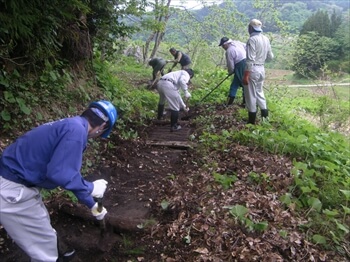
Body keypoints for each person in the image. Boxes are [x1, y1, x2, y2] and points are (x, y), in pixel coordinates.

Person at [0, 100, 118, 262]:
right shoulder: (76, 133)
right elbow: (61, 174)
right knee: (44, 252)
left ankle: (63, 252)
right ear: (102, 127)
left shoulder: (71, 126)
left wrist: (92, 205)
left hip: (17, 184)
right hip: (12, 191)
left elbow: (69, 174)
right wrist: (91, 187)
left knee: (43, 225)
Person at [243, 19, 274, 124]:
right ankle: (265, 119)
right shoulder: (266, 39)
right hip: (262, 68)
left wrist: (246, 75)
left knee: (251, 95)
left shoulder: (252, 40)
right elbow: (271, 56)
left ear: (251, 28)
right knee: (260, 92)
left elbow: (250, 59)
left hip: (253, 69)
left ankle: (251, 122)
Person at [219, 37, 246, 106]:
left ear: (226, 44)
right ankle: (243, 103)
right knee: (236, 84)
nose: (223, 47)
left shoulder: (229, 51)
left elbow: (230, 64)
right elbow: (246, 47)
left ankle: (242, 103)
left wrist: (231, 72)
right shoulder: (237, 43)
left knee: (243, 84)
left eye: (223, 46)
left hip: (241, 66)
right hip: (247, 62)